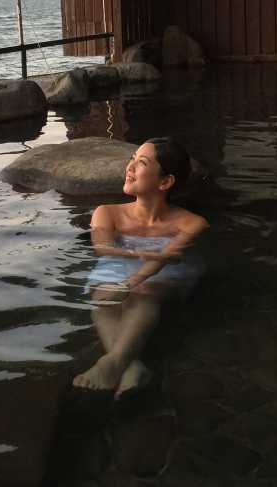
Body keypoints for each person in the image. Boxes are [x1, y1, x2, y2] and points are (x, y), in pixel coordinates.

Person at [73, 137, 208, 399]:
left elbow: (165, 259)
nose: (130, 167)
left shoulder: (192, 222)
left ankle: (111, 363)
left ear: (165, 182)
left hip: (162, 271)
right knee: (101, 299)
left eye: (141, 162)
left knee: (144, 291)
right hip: (121, 261)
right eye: (132, 158)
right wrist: (138, 255)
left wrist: (127, 284)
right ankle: (130, 365)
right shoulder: (107, 213)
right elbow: (103, 249)